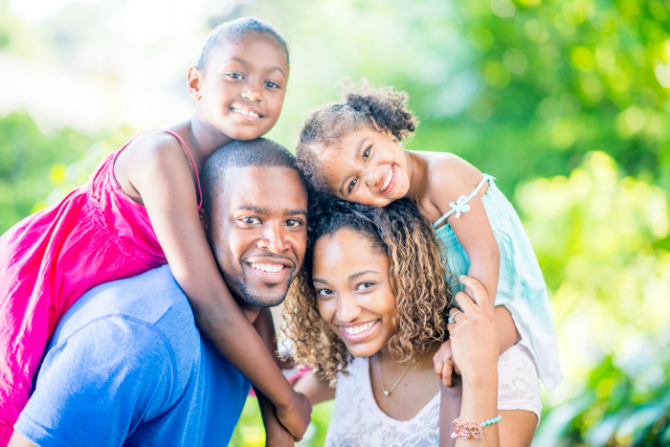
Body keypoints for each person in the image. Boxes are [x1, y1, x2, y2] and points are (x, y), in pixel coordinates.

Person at [0, 18, 311, 445]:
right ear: (196, 83)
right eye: (236, 74)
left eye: (272, 84)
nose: (254, 91)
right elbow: (211, 304)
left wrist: (278, 412)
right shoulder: (162, 155)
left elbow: (247, 297)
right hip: (55, 272)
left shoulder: (238, 175)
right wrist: (288, 400)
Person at [8, 139, 306, 447]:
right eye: (249, 220)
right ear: (201, 224)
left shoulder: (245, 334)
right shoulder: (135, 341)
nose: (276, 242)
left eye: (293, 222)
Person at [295, 80, 562, 393]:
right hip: (463, 307)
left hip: (506, 301)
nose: (373, 176)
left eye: (367, 153)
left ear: (383, 127)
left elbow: (486, 257)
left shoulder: (443, 174)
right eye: (352, 184)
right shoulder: (395, 202)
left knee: (455, 364)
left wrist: (463, 334)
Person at [283, 199, 540, 447]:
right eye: (326, 291)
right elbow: (286, 402)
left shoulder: (507, 369)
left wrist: (477, 377)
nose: (345, 313)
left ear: (410, 279)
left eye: (365, 285)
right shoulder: (349, 361)